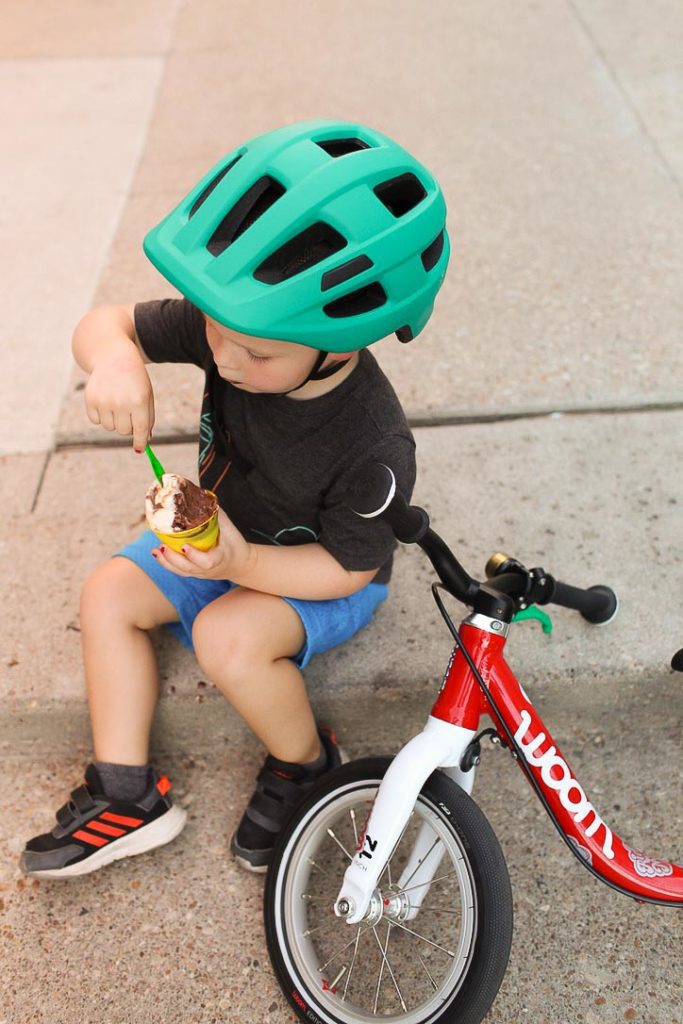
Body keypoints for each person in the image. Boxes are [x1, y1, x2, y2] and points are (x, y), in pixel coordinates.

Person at [21, 119, 450, 878]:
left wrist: (243, 560)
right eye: (216, 330)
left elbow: (346, 569)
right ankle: (125, 794)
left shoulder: (373, 446)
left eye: (253, 351)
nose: (222, 356)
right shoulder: (240, 325)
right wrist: (116, 361)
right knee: (107, 595)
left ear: (341, 339)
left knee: (227, 638)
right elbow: (105, 323)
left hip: (312, 574)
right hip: (219, 537)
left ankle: (306, 763)